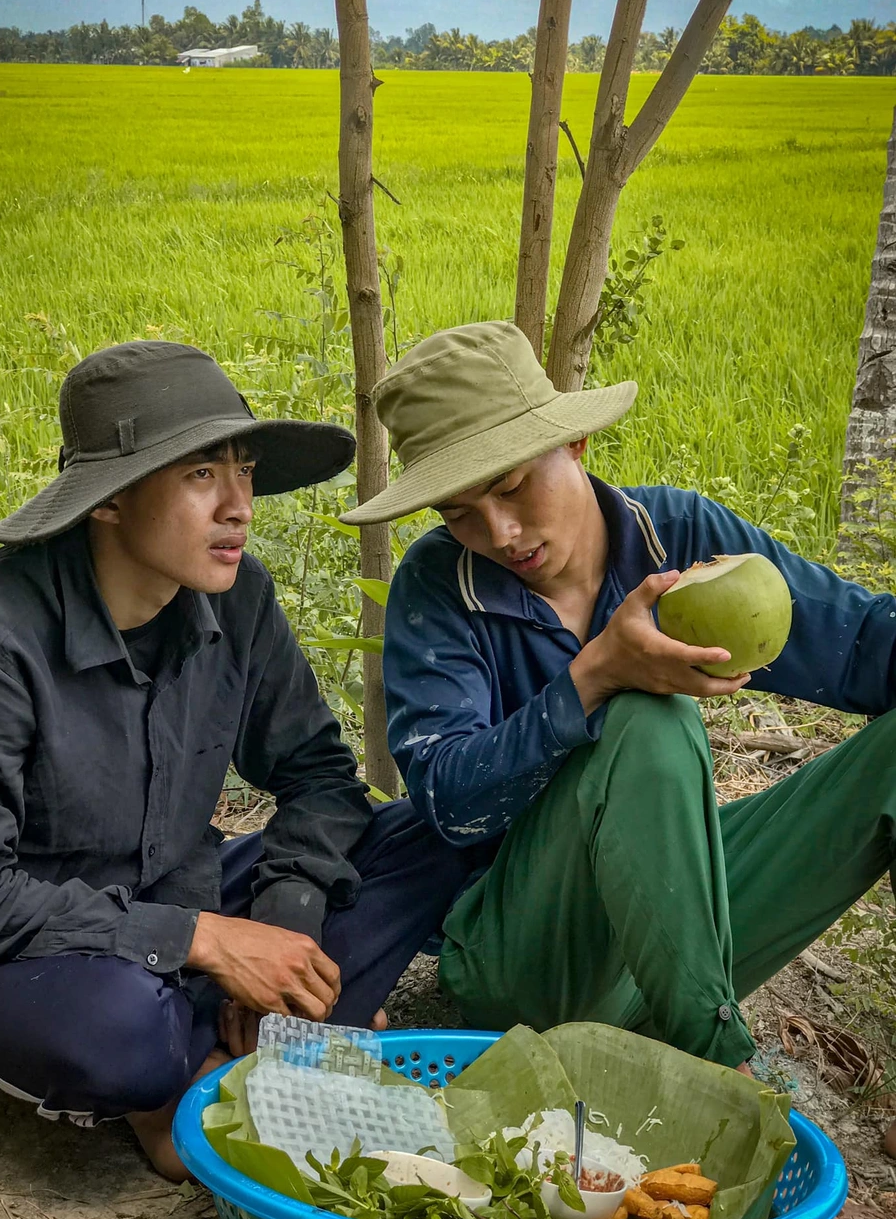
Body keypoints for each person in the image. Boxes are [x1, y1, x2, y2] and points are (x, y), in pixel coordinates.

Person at [0, 340, 478, 1179]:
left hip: (175, 890)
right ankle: (198, 1071)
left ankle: (230, 1049)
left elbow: (318, 776)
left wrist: (283, 925)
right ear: (109, 501)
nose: (240, 505)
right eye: (201, 474)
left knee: (431, 832)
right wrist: (207, 942)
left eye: (245, 470)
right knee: (121, 1033)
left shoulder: (237, 598)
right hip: (15, 949)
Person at [343, 320, 896, 1073]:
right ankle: (719, 1063)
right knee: (645, 716)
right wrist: (593, 678)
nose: (500, 532)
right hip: (528, 964)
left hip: (677, 932)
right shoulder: (438, 586)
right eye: (458, 512)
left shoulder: (676, 535)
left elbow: (862, 644)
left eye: (510, 485)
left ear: (573, 442)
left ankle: (679, 1017)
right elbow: (447, 801)